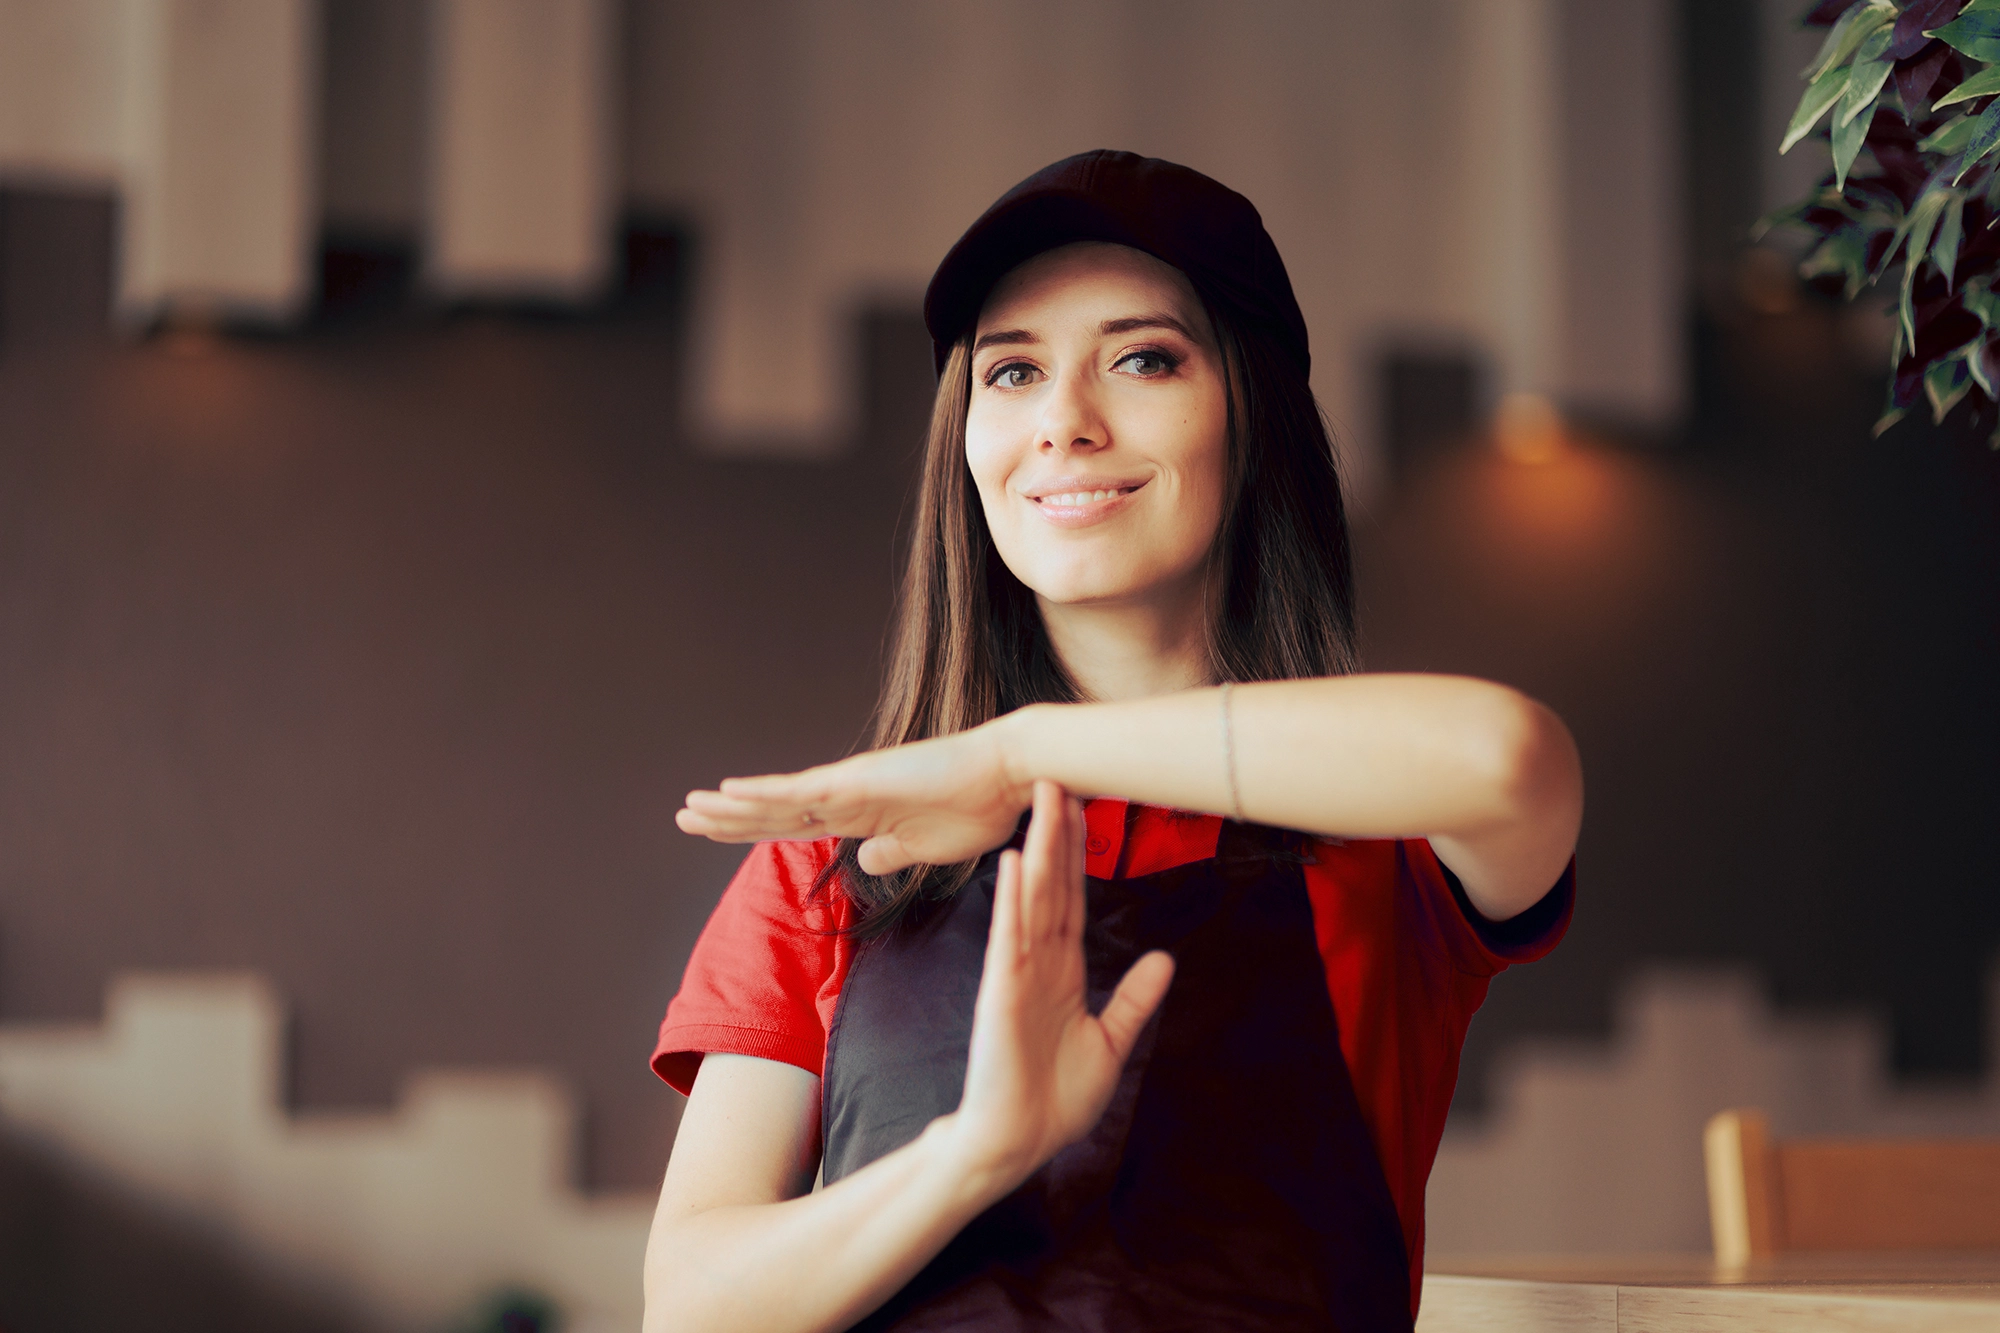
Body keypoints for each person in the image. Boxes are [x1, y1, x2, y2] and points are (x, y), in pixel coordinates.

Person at [644, 150, 1583, 1333]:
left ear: (1252, 415)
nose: (1064, 425)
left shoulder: (1381, 838)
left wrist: (1018, 755)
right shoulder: (833, 862)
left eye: (1142, 359)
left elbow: (1505, 758)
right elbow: (691, 1310)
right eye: (1012, 372)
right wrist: (974, 1152)